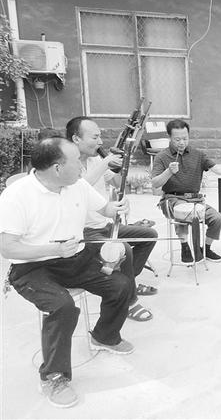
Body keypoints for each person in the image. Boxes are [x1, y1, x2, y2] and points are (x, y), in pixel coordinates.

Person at [0, 138, 134, 408]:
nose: (82, 168)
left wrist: (117, 208)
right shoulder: (16, 196)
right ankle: (53, 376)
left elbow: (105, 209)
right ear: (57, 168)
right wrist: (54, 249)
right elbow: (7, 247)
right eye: (76, 162)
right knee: (63, 307)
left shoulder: (77, 185)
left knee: (120, 285)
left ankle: (104, 336)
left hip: (73, 258)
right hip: (32, 267)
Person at [66, 116, 158, 322]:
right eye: (95, 137)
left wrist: (122, 168)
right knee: (124, 249)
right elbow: (78, 189)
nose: (100, 142)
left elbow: (116, 182)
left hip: (104, 224)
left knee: (148, 235)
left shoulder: (95, 160)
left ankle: (129, 283)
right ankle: (130, 302)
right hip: (84, 231)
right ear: (76, 138)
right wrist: (106, 162)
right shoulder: (67, 164)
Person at [151, 119, 221, 263]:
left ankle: (205, 248)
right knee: (183, 211)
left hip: (195, 200)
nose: (182, 142)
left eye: (185, 138)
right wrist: (169, 171)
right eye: (177, 139)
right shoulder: (161, 157)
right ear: (169, 137)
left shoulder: (198, 155)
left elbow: (216, 168)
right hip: (172, 199)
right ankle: (185, 246)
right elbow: (155, 183)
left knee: (217, 218)